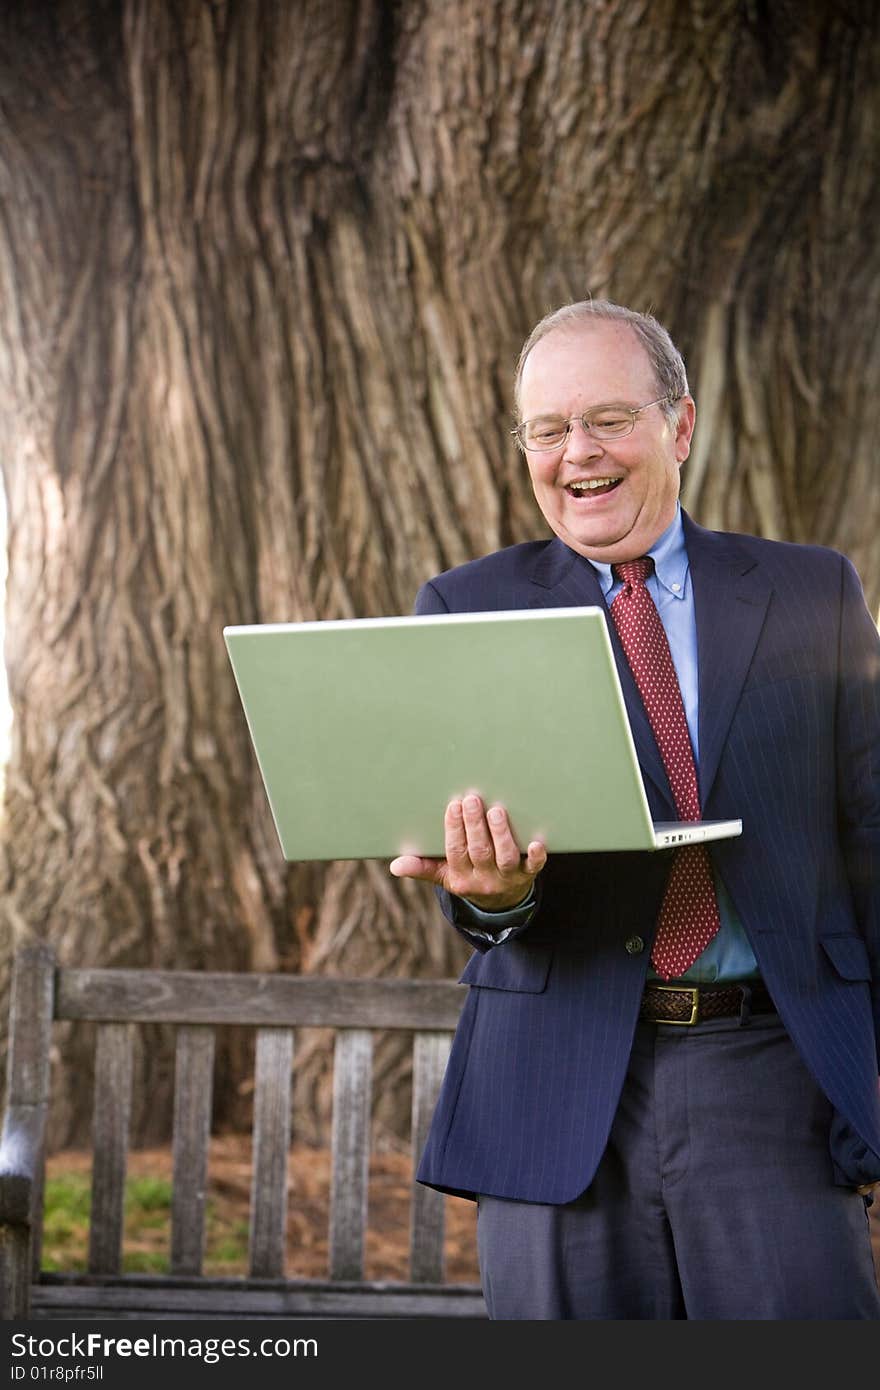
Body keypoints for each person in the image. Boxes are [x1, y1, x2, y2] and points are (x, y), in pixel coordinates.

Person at [389, 298, 880, 1320]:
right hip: (554, 1075)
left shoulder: (808, 593)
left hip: (772, 1072)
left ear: (679, 426)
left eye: (608, 419)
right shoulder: (465, 608)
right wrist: (490, 896)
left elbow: (870, 839)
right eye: (547, 429)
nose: (577, 454)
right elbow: (467, 883)